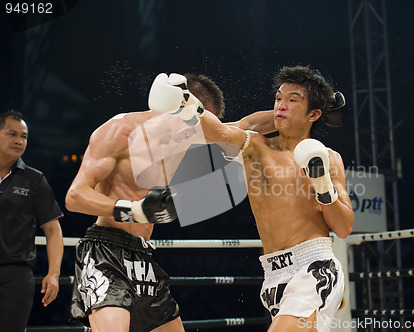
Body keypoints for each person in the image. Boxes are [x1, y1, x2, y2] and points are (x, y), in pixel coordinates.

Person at [65, 73, 275, 332]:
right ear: (179, 105)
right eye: (195, 121)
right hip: (105, 251)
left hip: (143, 254)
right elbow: (75, 196)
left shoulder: (187, 136)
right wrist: (133, 211)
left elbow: (245, 125)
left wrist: (305, 110)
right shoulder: (119, 132)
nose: (196, 132)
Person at [165, 66, 354, 331]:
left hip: (314, 269)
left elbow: (344, 228)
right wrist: (187, 103)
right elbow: (220, 133)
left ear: (314, 113)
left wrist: (323, 186)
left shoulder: (329, 158)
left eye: (292, 100)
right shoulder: (256, 146)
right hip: (274, 277)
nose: (281, 105)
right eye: (278, 98)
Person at [0, 110, 64, 332]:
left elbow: (53, 230)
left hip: (16, 274)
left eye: (24, 136)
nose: (19, 140)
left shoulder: (35, 180)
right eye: (12, 134)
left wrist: (54, 273)